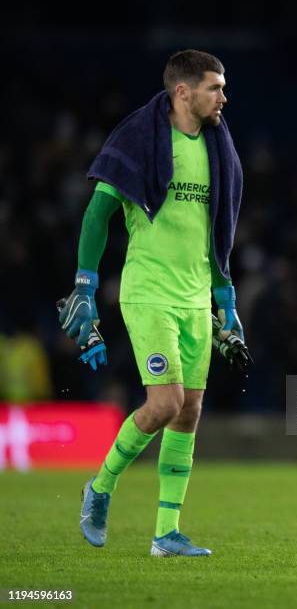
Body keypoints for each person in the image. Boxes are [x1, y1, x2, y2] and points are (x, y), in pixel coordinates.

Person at [59, 49, 245, 557]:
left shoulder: (216, 147)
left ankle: (166, 534)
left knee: (190, 411)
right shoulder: (140, 141)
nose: (223, 97)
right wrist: (85, 284)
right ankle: (98, 489)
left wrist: (226, 303)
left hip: (195, 296)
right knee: (164, 404)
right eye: (214, 88)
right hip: (148, 293)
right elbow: (99, 212)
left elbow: (217, 234)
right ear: (182, 91)